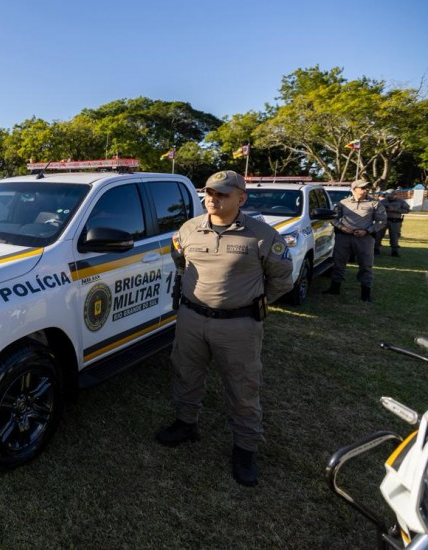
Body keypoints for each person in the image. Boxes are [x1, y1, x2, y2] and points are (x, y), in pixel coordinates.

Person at [155, 170, 293, 487]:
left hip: (239, 325)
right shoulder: (189, 229)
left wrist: (249, 302)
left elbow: (282, 279)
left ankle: (245, 449)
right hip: (191, 318)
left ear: (241, 198)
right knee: (185, 373)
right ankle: (185, 423)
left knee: (243, 386)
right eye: (209, 193)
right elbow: (181, 263)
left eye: (222, 194)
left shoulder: (262, 235)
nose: (213, 199)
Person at [324, 179, 386, 302]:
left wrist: (367, 231)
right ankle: (335, 288)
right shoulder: (343, 203)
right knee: (338, 262)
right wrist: (342, 227)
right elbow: (333, 218)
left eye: (367, 188)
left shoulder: (375, 203)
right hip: (344, 237)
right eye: (362, 188)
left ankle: (365, 293)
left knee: (366, 265)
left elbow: (382, 221)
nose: (365, 190)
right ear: (354, 189)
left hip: (364, 238)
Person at [375, 189, 410, 257]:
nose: (390, 197)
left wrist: (395, 210)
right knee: (378, 236)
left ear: (395, 195)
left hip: (395, 221)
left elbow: (407, 210)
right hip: (383, 221)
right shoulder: (382, 202)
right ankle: (376, 249)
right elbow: (376, 210)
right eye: (388, 196)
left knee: (394, 237)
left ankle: (394, 251)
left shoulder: (401, 202)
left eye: (391, 196)